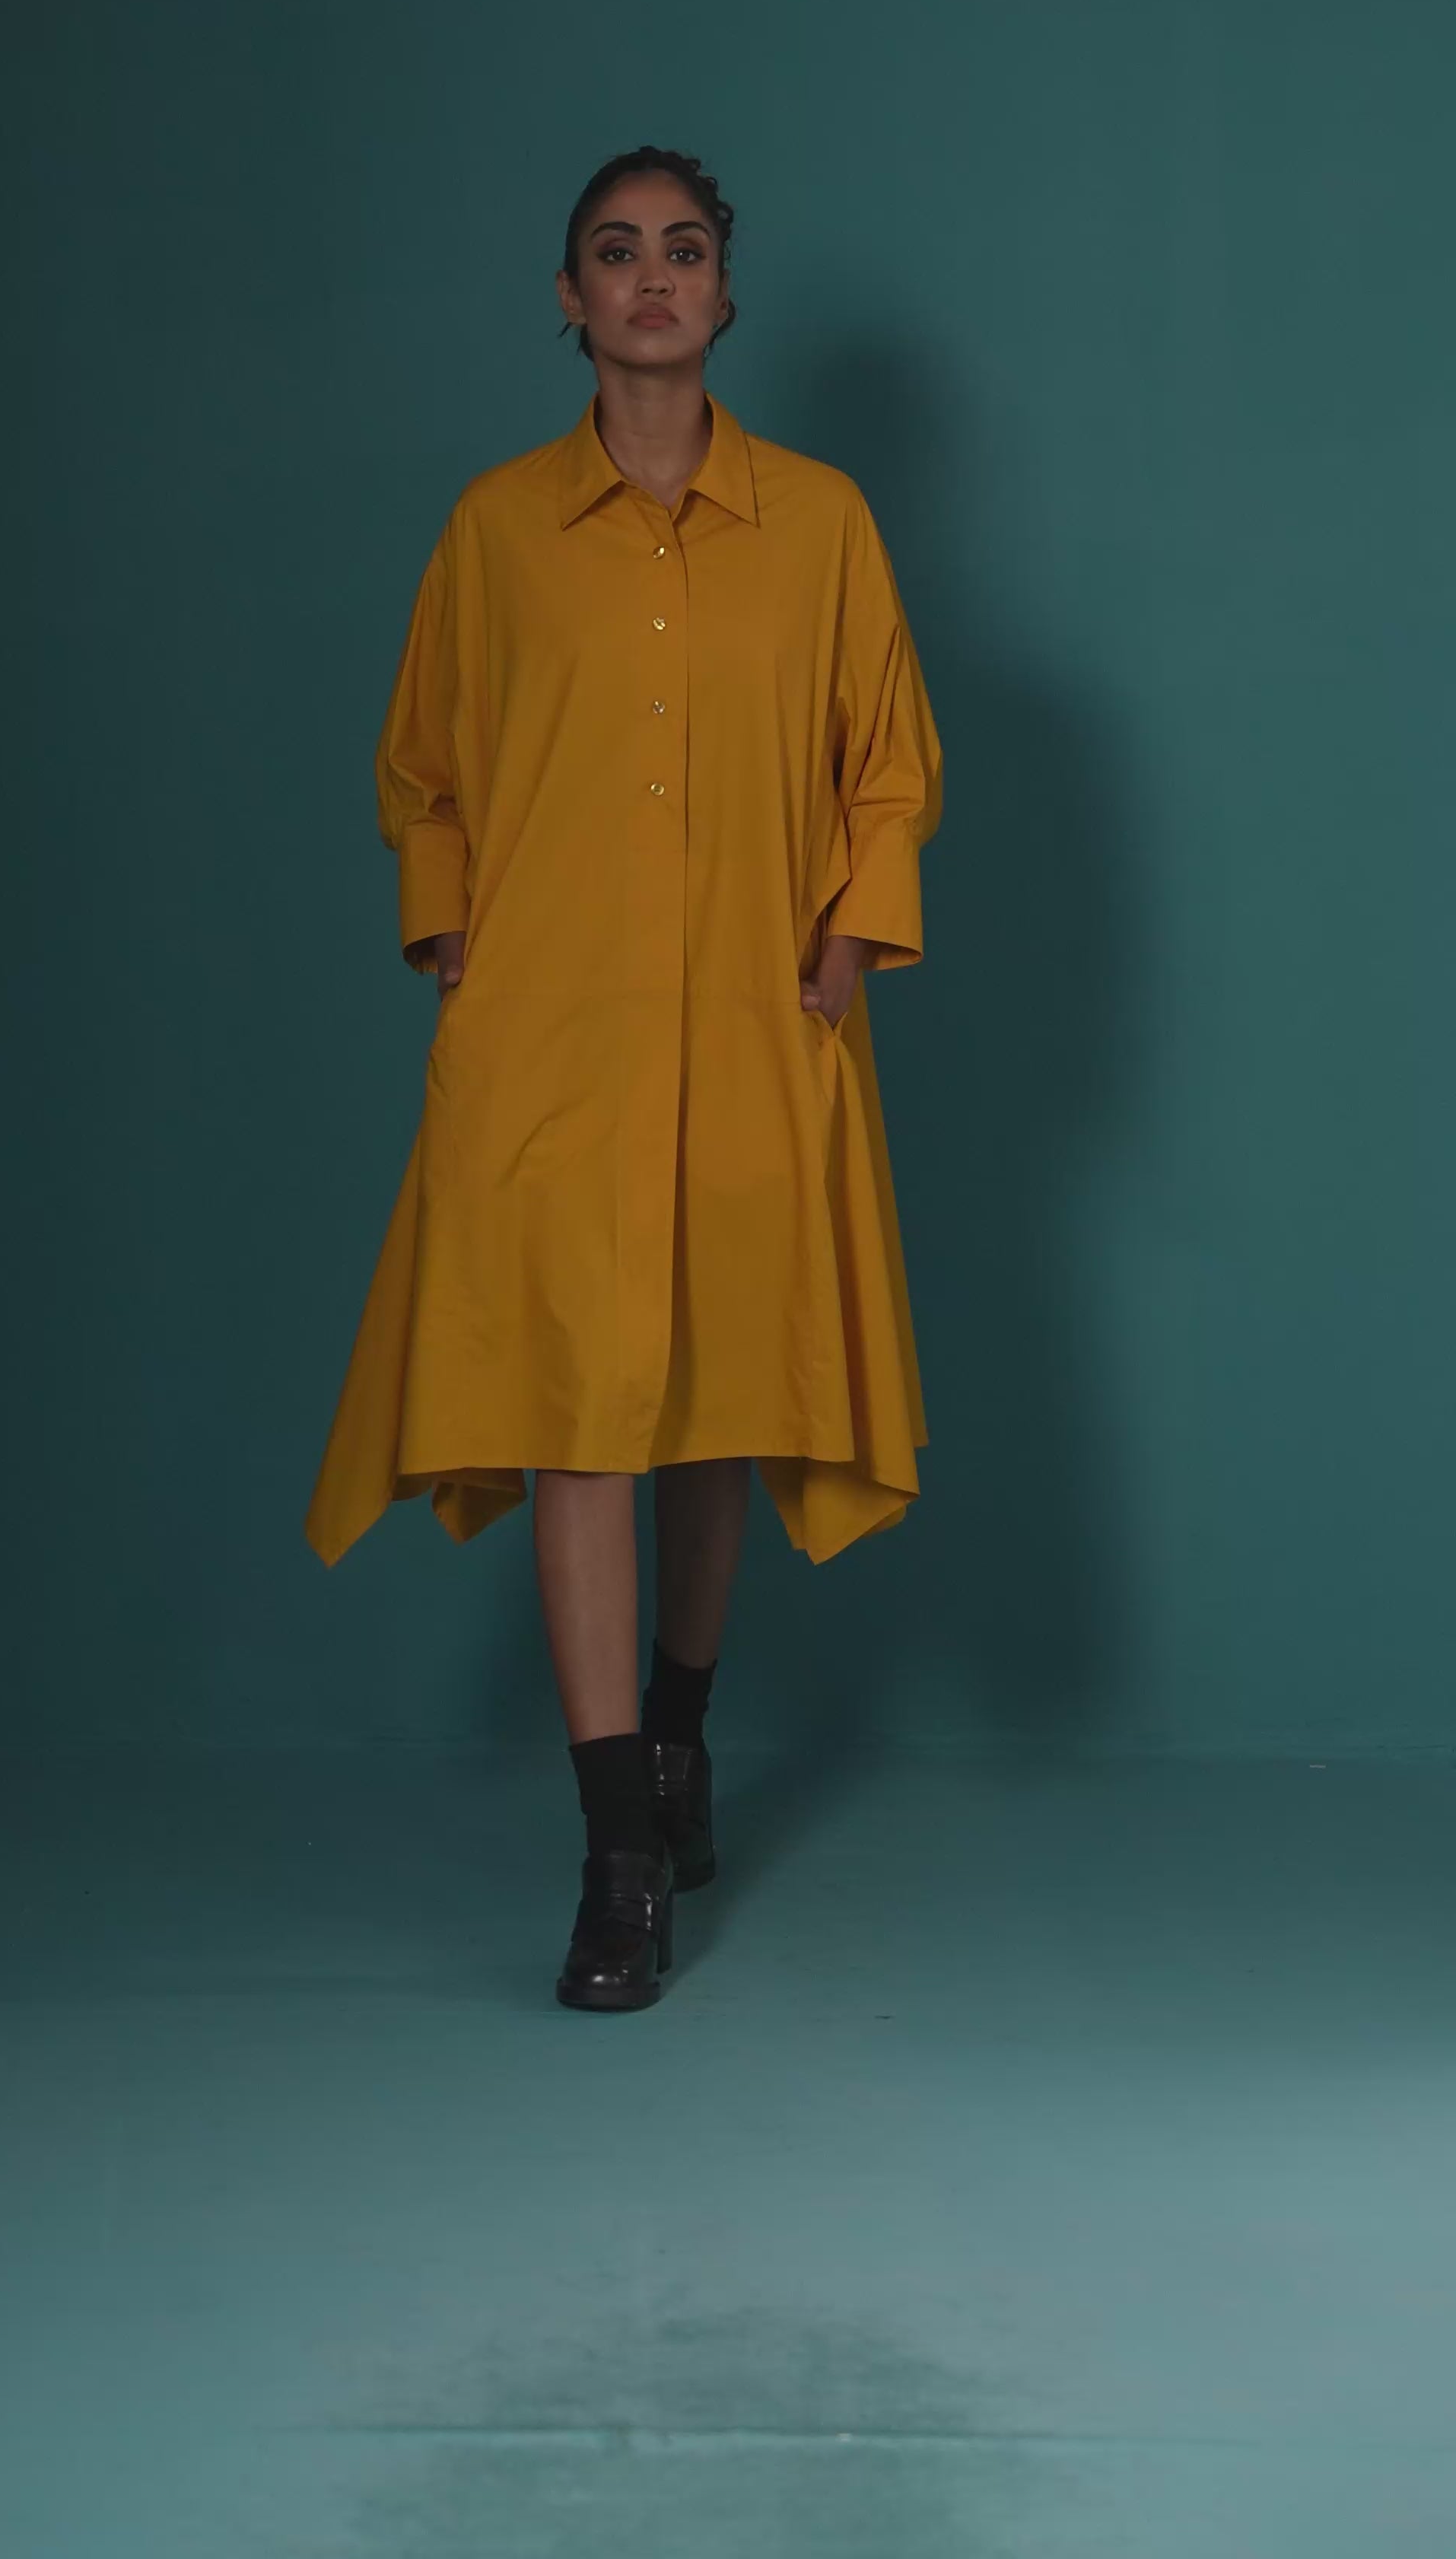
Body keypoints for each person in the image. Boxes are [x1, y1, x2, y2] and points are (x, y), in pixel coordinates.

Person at [307, 146, 943, 2013]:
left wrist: (848, 945)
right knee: (576, 1406)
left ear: (725, 293)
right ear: (569, 298)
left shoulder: (822, 523)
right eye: (615, 251)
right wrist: (450, 936)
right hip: (553, 1038)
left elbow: (890, 764)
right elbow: (423, 768)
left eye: (683, 249)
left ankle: (680, 1736)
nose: (651, 276)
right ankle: (614, 1858)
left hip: (754, 1019)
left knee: (714, 1401)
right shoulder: (496, 530)